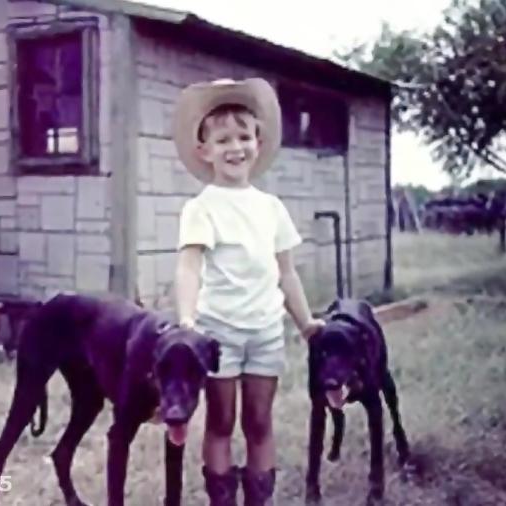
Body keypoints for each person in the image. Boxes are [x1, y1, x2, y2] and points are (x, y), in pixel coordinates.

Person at [173, 78, 325, 506]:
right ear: (204, 151)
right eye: (222, 140)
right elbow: (189, 266)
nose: (234, 147)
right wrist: (188, 320)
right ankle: (221, 498)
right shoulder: (201, 207)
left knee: (259, 421)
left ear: (259, 143)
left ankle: (259, 499)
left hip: (265, 332)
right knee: (221, 421)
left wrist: (306, 321)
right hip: (218, 333)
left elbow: (287, 273)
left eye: (243, 137)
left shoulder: (271, 208)